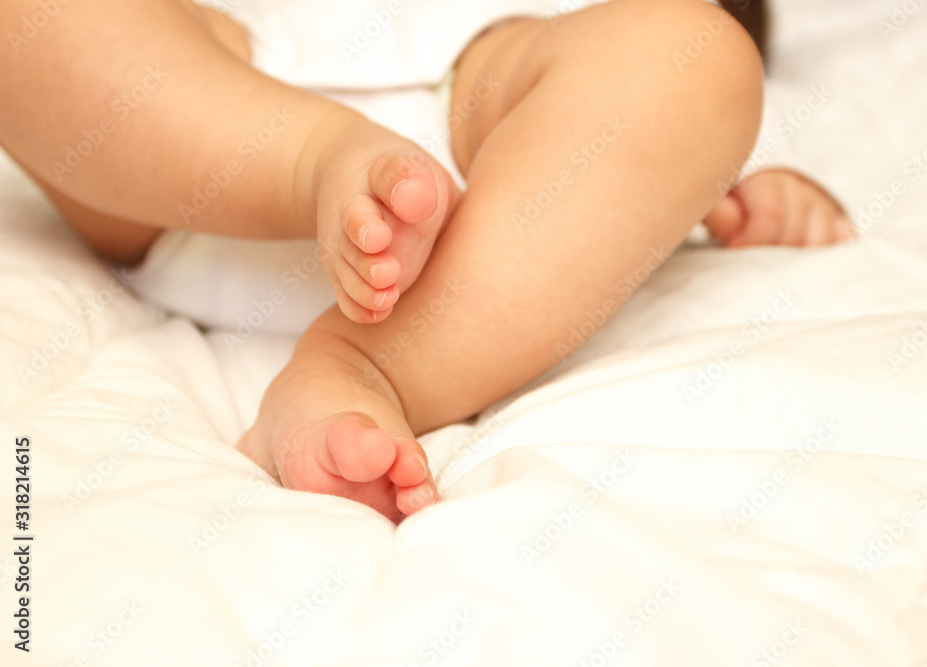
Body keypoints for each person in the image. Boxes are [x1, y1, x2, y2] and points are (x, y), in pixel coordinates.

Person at [0, 0, 850, 522]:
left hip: (471, 160)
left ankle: (367, 368)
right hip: (190, 139)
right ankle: (314, 159)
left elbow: (676, 123)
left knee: (694, 61)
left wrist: (740, 184)